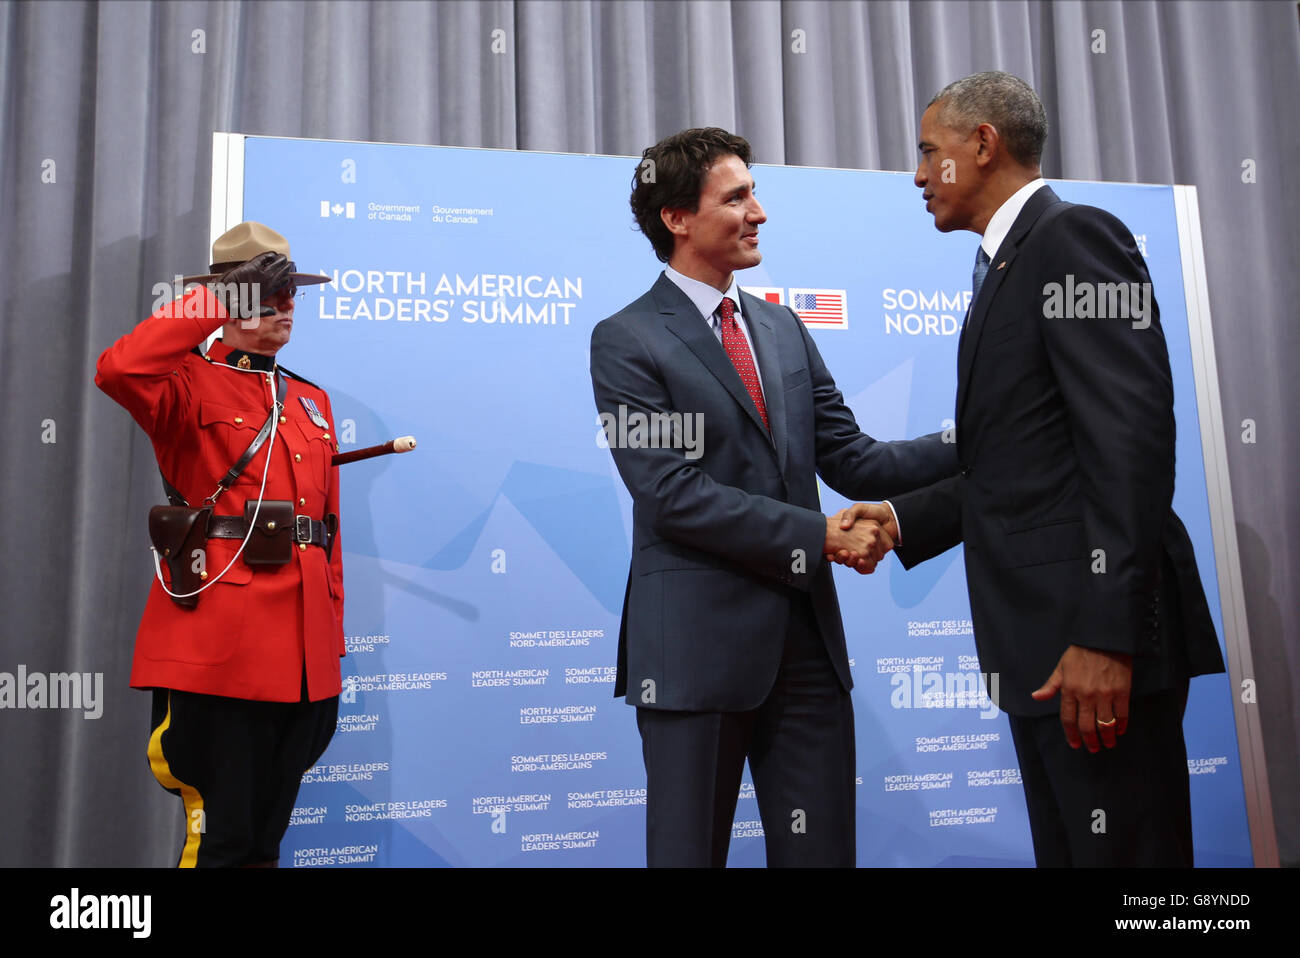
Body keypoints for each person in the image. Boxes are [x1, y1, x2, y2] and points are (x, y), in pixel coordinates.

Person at [835, 72, 1225, 866]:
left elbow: (1130, 445)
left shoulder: (1076, 239)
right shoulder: (1006, 266)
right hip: (1040, 649)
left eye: (926, 152)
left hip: (1090, 647)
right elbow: (1021, 462)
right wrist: (904, 518)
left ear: (983, 145)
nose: (916, 175)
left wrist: (1105, 638)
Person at [589, 128, 956, 867]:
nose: (759, 211)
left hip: (808, 652)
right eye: (737, 197)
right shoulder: (625, 339)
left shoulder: (782, 326)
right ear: (677, 219)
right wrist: (821, 535)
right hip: (693, 656)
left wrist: (978, 437)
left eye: (754, 192)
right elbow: (670, 494)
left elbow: (855, 457)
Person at [95, 221, 345, 867]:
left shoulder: (311, 402)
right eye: (268, 291)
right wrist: (221, 298)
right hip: (221, 655)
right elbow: (118, 368)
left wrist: (331, 644)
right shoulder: (184, 385)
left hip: (302, 663)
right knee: (223, 843)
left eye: (290, 290)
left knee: (266, 844)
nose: (285, 303)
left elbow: (326, 535)